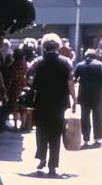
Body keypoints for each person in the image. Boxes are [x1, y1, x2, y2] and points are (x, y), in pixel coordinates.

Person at [32, 32, 76, 176]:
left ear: (44, 47)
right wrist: (75, 100)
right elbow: (70, 84)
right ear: (58, 47)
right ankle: (53, 165)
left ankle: (42, 157)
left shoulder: (37, 62)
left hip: (41, 101)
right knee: (55, 134)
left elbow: (29, 80)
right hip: (59, 103)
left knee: (41, 130)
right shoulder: (66, 62)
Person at [74, 48, 102, 148]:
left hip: (84, 94)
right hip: (97, 94)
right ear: (95, 56)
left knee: (85, 116)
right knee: (98, 115)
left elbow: (73, 79)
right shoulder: (99, 65)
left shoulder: (79, 65)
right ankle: (97, 138)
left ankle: (86, 139)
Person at [3, 48, 29, 130]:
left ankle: (15, 126)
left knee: (15, 108)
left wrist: (7, 89)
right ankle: (23, 125)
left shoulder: (12, 66)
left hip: (14, 88)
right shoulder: (26, 65)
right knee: (23, 107)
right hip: (24, 88)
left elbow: (10, 79)